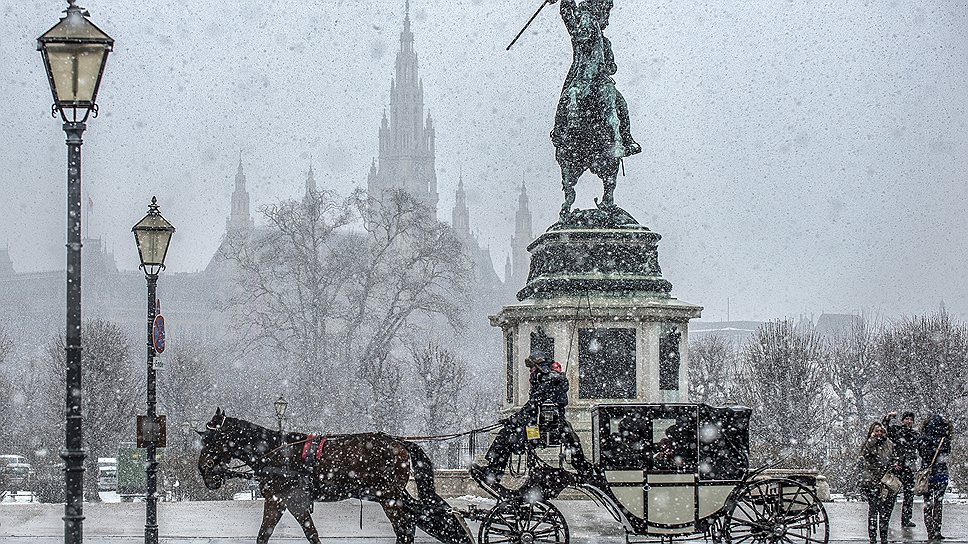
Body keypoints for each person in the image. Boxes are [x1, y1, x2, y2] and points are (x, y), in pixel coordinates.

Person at [471, 350, 589, 486]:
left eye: (532, 367)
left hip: (544, 429)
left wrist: (513, 420)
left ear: (540, 367)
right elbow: (533, 407)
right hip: (543, 426)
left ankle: (493, 471)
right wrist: (514, 419)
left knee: (506, 434)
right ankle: (494, 471)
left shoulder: (548, 380)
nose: (530, 371)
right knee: (508, 432)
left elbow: (532, 406)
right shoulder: (548, 380)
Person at [859, 422, 900, 544]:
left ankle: (884, 536)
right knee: (873, 510)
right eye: (876, 431)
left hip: (885, 482)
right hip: (872, 482)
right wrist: (872, 440)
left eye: (881, 431)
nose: (879, 434)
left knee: (885, 512)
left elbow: (894, 457)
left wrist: (895, 464)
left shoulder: (889, 444)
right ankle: (872, 537)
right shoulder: (869, 444)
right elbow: (865, 455)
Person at [918, 414, 952, 542]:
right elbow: (946, 453)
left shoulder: (922, 439)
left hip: (927, 475)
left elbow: (922, 454)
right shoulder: (945, 439)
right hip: (941, 474)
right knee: (938, 503)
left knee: (927, 504)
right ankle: (937, 530)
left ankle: (930, 531)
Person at [882, 411, 919, 528]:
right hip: (898, 467)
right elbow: (885, 430)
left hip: (909, 468)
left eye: (911, 419)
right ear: (902, 420)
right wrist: (887, 418)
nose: (909, 421)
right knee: (892, 493)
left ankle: (906, 519)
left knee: (909, 495)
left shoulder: (914, 434)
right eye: (907, 419)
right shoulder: (897, 430)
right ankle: (886, 517)